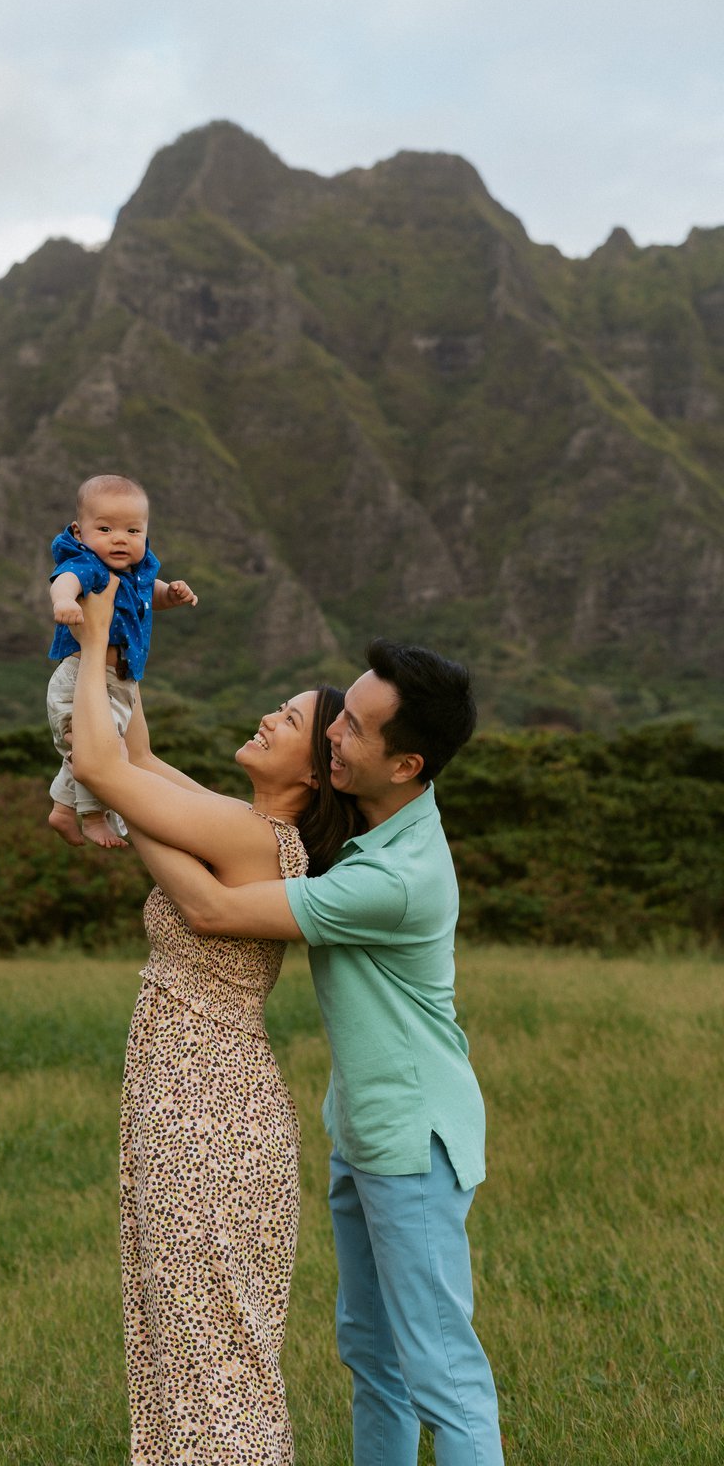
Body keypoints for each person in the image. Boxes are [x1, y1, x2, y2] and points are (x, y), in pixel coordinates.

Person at [116, 634, 504, 1466]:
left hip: (414, 1140)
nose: (334, 731)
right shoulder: (365, 830)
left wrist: (116, 802)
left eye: (356, 728)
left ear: (407, 764)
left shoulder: (393, 877)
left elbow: (215, 911)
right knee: (373, 1359)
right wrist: (125, 656)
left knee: (442, 1375)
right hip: (363, 1130)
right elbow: (172, 789)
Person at [68, 581, 363, 1466]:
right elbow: (133, 752)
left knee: (212, 1356)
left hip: (207, 1107)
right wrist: (123, 629)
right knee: (193, 1345)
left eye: (290, 719)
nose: (269, 717)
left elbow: (99, 766)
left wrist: (84, 647)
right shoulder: (238, 824)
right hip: (194, 1095)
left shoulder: (259, 842)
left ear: (314, 775)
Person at [46, 473, 197, 848]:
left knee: (92, 748)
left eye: (133, 531)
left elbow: (149, 596)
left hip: (117, 680)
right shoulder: (90, 566)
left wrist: (171, 595)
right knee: (103, 753)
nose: (120, 538)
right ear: (80, 532)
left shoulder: (134, 571)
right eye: (106, 528)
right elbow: (64, 580)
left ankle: (64, 811)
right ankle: (93, 817)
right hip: (83, 678)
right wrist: (63, 601)